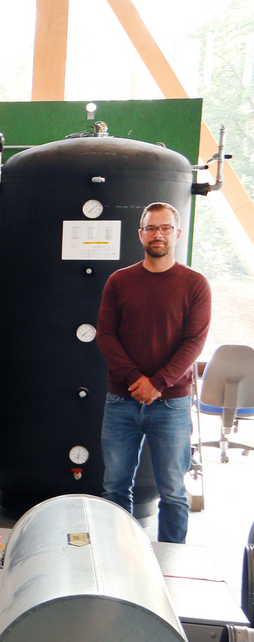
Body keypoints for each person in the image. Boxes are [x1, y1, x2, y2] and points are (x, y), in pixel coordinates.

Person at [95, 201, 211, 544]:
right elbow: (105, 335)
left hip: (171, 405)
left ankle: (172, 566)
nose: (157, 235)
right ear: (140, 234)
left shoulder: (195, 284)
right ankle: (119, 558)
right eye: (150, 228)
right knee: (115, 487)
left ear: (176, 233)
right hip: (122, 400)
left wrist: (158, 384)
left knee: (173, 492)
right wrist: (135, 380)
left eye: (164, 228)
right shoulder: (119, 281)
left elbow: (194, 342)